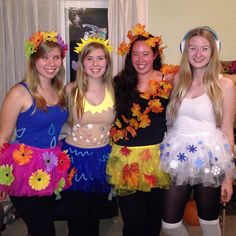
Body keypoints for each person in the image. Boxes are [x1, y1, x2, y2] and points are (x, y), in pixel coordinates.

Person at [160, 26, 235, 236]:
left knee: (209, 221)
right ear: (185, 51)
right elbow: (171, 121)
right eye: (193, 48)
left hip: (209, 158)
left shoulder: (225, 85)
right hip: (178, 155)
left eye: (204, 49)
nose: (198, 54)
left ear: (213, 52)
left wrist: (228, 178)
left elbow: (227, 131)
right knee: (169, 225)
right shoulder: (177, 81)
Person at [106, 23, 178, 236]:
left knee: (153, 220)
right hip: (125, 158)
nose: (140, 59)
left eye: (146, 53)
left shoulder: (168, 80)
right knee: (132, 223)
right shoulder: (119, 82)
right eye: (135, 54)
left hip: (155, 159)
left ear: (155, 54)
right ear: (129, 56)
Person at [0, 31, 70, 236]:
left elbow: (57, 125)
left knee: (41, 223)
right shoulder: (19, 93)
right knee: (44, 229)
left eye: (56, 57)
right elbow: (3, 138)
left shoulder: (59, 90)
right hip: (24, 168)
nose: (51, 63)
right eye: (44, 57)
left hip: (50, 165)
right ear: (34, 60)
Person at [60, 36, 115, 236]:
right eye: (89, 58)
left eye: (100, 58)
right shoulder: (70, 90)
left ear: (107, 62)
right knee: (76, 220)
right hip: (74, 159)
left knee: (95, 219)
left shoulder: (114, 90)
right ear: (81, 62)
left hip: (102, 159)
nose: (95, 64)